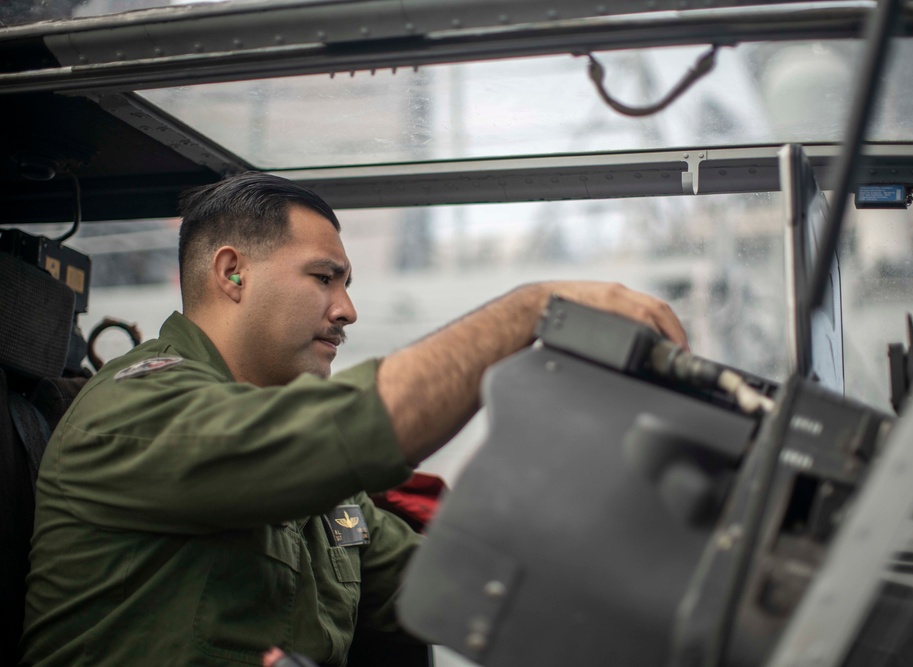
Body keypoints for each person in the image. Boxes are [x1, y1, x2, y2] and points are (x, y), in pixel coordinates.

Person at [19, 172, 687, 666]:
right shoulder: (139, 407)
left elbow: (455, 585)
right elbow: (366, 423)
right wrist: (533, 310)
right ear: (232, 273)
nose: (347, 309)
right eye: (324, 277)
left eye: (348, 285)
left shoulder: (322, 485)